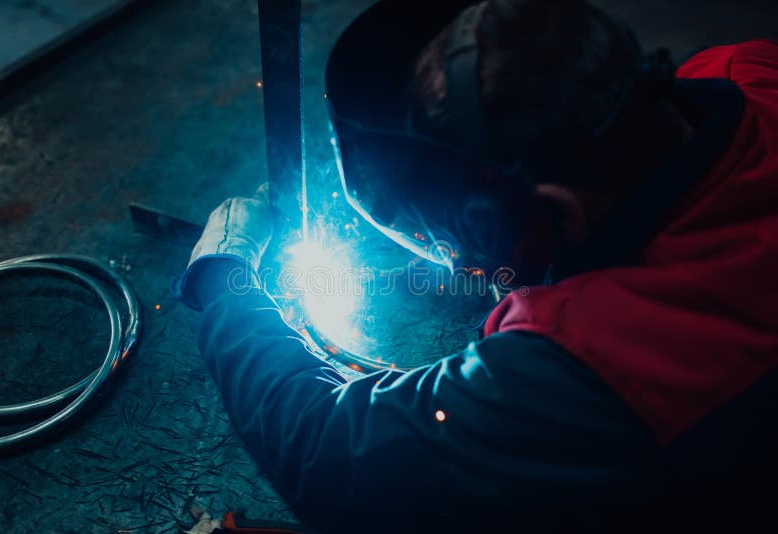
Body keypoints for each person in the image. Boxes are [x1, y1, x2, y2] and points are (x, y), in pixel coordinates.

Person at [175, 0, 778, 531]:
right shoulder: (746, 68)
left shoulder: (592, 363)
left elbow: (327, 449)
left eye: (465, 246)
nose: (468, 266)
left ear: (557, 212)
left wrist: (224, 279)